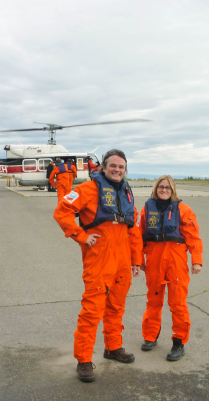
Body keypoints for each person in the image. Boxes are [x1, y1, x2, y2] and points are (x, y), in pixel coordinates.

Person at [53, 149, 143, 382]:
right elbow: (62, 212)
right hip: (99, 260)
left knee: (116, 306)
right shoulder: (87, 189)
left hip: (122, 261)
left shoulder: (127, 193)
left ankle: (113, 347)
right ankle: (83, 359)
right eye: (113, 166)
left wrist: (136, 260)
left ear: (125, 170)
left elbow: (133, 229)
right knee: (92, 311)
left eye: (121, 167)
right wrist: (81, 236)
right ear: (103, 168)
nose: (117, 170)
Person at [136, 175, 203, 361]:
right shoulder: (146, 210)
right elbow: (138, 236)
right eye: (160, 187)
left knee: (178, 304)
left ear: (173, 190)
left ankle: (179, 342)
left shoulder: (183, 209)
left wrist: (196, 260)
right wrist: (138, 259)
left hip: (176, 262)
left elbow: (193, 237)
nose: (164, 190)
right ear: (155, 189)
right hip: (154, 261)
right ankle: (150, 336)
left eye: (167, 187)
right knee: (153, 302)